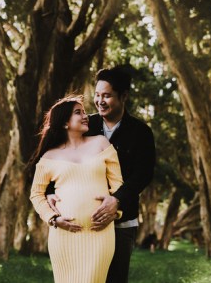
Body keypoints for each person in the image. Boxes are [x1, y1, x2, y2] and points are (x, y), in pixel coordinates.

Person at [48, 66, 156, 283]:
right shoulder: (86, 124)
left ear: (123, 96)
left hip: (121, 223)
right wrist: (50, 191)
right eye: (97, 95)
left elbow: (142, 175)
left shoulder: (140, 132)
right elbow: (57, 157)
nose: (100, 101)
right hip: (82, 222)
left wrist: (116, 201)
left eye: (107, 95)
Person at [28, 95, 124, 283]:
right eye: (78, 112)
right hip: (64, 236)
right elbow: (36, 194)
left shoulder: (101, 143)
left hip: (100, 234)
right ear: (65, 123)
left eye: (84, 111)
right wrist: (53, 219)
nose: (85, 115)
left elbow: (118, 186)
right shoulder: (49, 156)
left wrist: (115, 212)